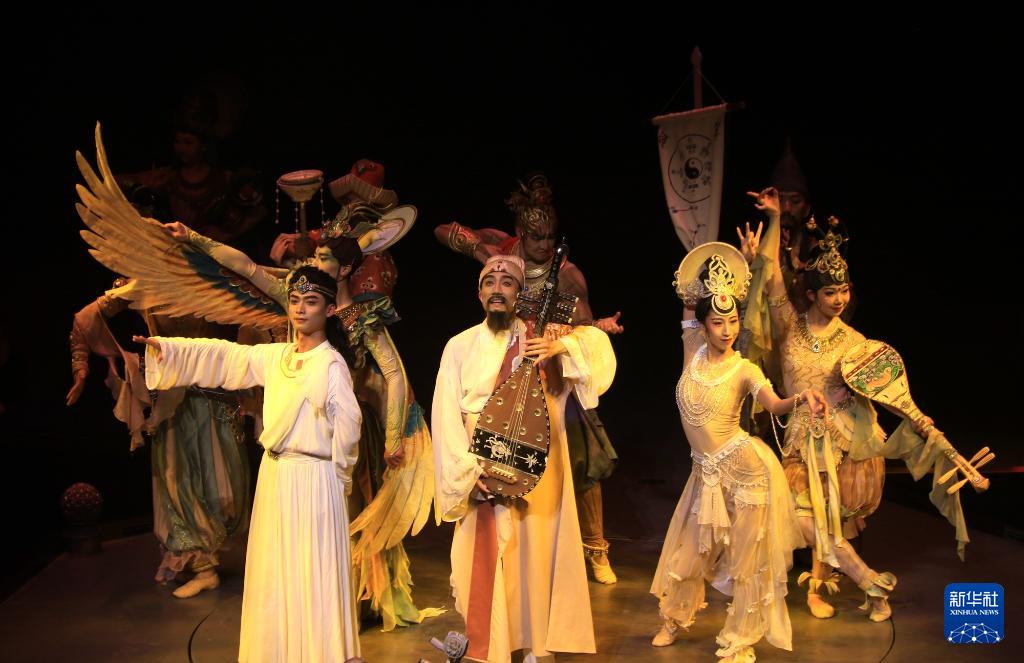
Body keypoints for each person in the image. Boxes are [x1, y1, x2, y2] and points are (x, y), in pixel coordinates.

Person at [164, 212, 439, 630]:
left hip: (348, 430)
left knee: (346, 520)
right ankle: (306, 612)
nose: (314, 263)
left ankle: (345, 613)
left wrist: (394, 436)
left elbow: (394, 374)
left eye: (324, 258)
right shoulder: (302, 298)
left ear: (344, 270)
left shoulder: (362, 316)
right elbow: (247, 268)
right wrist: (193, 236)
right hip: (304, 425)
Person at [739, 187, 968, 622]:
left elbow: (884, 390)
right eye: (831, 292)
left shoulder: (855, 341)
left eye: (844, 291)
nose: (839, 299)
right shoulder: (788, 325)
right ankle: (871, 583)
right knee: (804, 518)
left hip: (842, 443)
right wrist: (774, 219)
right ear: (812, 294)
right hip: (800, 436)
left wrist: (918, 420)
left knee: (825, 518)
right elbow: (769, 280)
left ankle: (823, 589)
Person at [138, 265, 361, 661]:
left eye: (311, 302)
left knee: (311, 571)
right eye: (295, 300)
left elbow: (348, 428)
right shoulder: (278, 357)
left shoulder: (330, 364)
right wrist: (166, 349)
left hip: (314, 478)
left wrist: (338, 480)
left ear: (329, 309)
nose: (300, 309)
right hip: (276, 477)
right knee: (276, 571)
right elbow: (227, 357)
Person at [435, 173, 621, 584]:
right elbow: (442, 230)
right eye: (536, 237)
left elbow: (584, 326)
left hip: (549, 365)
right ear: (521, 233)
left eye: (551, 236)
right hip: (505, 360)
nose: (545, 244)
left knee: (581, 458)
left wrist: (578, 335)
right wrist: (482, 251)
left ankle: (595, 547)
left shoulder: (567, 272)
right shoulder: (502, 251)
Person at [432, 255, 616, 662]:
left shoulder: (541, 340)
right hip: (483, 466)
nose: (497, 289)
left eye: (507, 282)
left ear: (520, 294)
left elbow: (598, 353)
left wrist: (560, 346)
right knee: (485, 562)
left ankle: (535, 646)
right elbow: (445, 414)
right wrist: (466, 471)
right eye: (490, 282)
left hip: (536, 471)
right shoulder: (460, 345)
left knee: (534, 557)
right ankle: (493, 648)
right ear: (479, 293)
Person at [650, 244, 820, 663]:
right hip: (705, 474)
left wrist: (801, 397)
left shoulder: (745, 368)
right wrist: (718, 263)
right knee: (689, 553)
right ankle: (674, 618)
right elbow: (688, 297)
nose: (727, 330)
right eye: (717, 322)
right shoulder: (692, 348)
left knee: (748, 562)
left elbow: (774, 405)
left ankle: (741, 640)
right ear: (703, 325)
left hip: (746, 474)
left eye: (733, 321)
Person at [68, 278, 250, 598]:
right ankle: (202, 567)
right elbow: (86, 318)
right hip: (173, 401)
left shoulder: (211, 277)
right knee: (178, 481)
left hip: (215, 397)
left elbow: (256, 318)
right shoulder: (146, 283)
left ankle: (205, 558)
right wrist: (80, 366)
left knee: (220, 487)